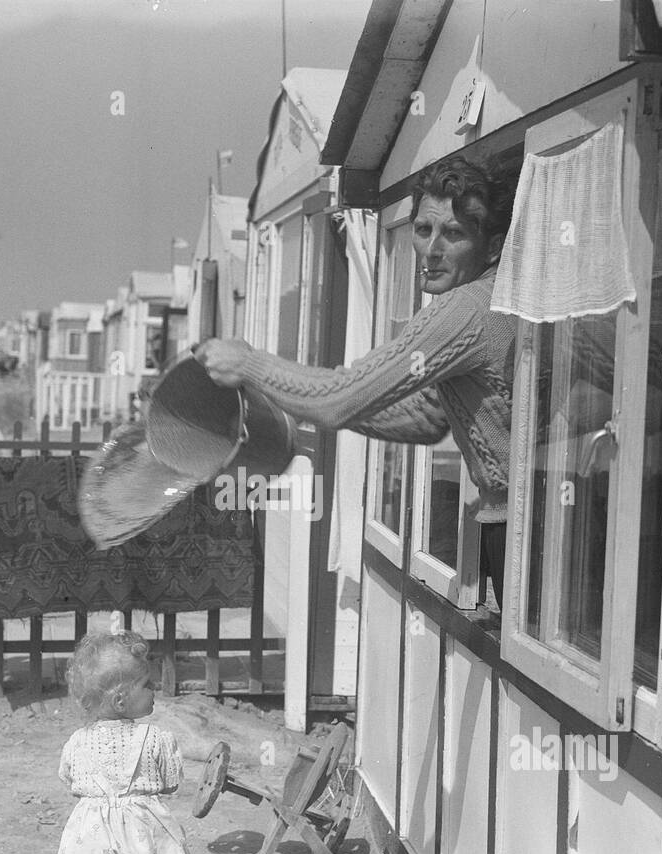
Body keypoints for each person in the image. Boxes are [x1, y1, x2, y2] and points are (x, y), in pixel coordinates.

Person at [195, 155, 517, 610]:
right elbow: (424, 419)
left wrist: (251, 365)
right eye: (423, 231)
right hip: (528, 524)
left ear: (493, 246)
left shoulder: (465, 308)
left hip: (523, 532)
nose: (432, 250)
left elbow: (341, 397)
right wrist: (291, 404)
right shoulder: (495, 299)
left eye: (455, 234)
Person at [54, 631, 190, 854]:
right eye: (147, 684)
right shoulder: (156, 739)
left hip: (97, 844)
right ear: (120, 700)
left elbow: (71, 781)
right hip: (144, 839)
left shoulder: (77, 742)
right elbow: (172, 781)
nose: (154, 691)